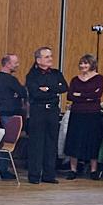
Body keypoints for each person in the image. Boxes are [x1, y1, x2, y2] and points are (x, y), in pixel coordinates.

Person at [25, 46, 69, 184]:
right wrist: (51, 90)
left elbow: (63, 87)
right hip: (38, 111)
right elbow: (35, 93)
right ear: (38, 60)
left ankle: (49, 175)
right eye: (46, 57)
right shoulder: (32, 75)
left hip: (52, 111)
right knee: (37, 143)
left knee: (51, 143)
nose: (50, 59)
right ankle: (34, 175)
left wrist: (48, 88)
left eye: (50, 56)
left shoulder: (56, 73)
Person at [63, 54, 103, 180]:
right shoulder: (75, 79)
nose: (83, 66)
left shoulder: (99, 78)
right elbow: (70, 96)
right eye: (81, 63)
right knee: (74, 140)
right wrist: (86, 96)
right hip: (77, 113)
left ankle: (93, 170)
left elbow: (96, 95)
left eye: (85, 63)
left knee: (92, 140)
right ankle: (73, 169)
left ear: (92, 64)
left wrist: (79, 95)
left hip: (92, 114)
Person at [0, 54, 27, 127]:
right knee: (12, 137)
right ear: (8, 64)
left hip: (4, 113)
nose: (17, 65)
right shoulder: (11, 80)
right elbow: (23, 93)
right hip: (11, 115)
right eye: (15, 63)